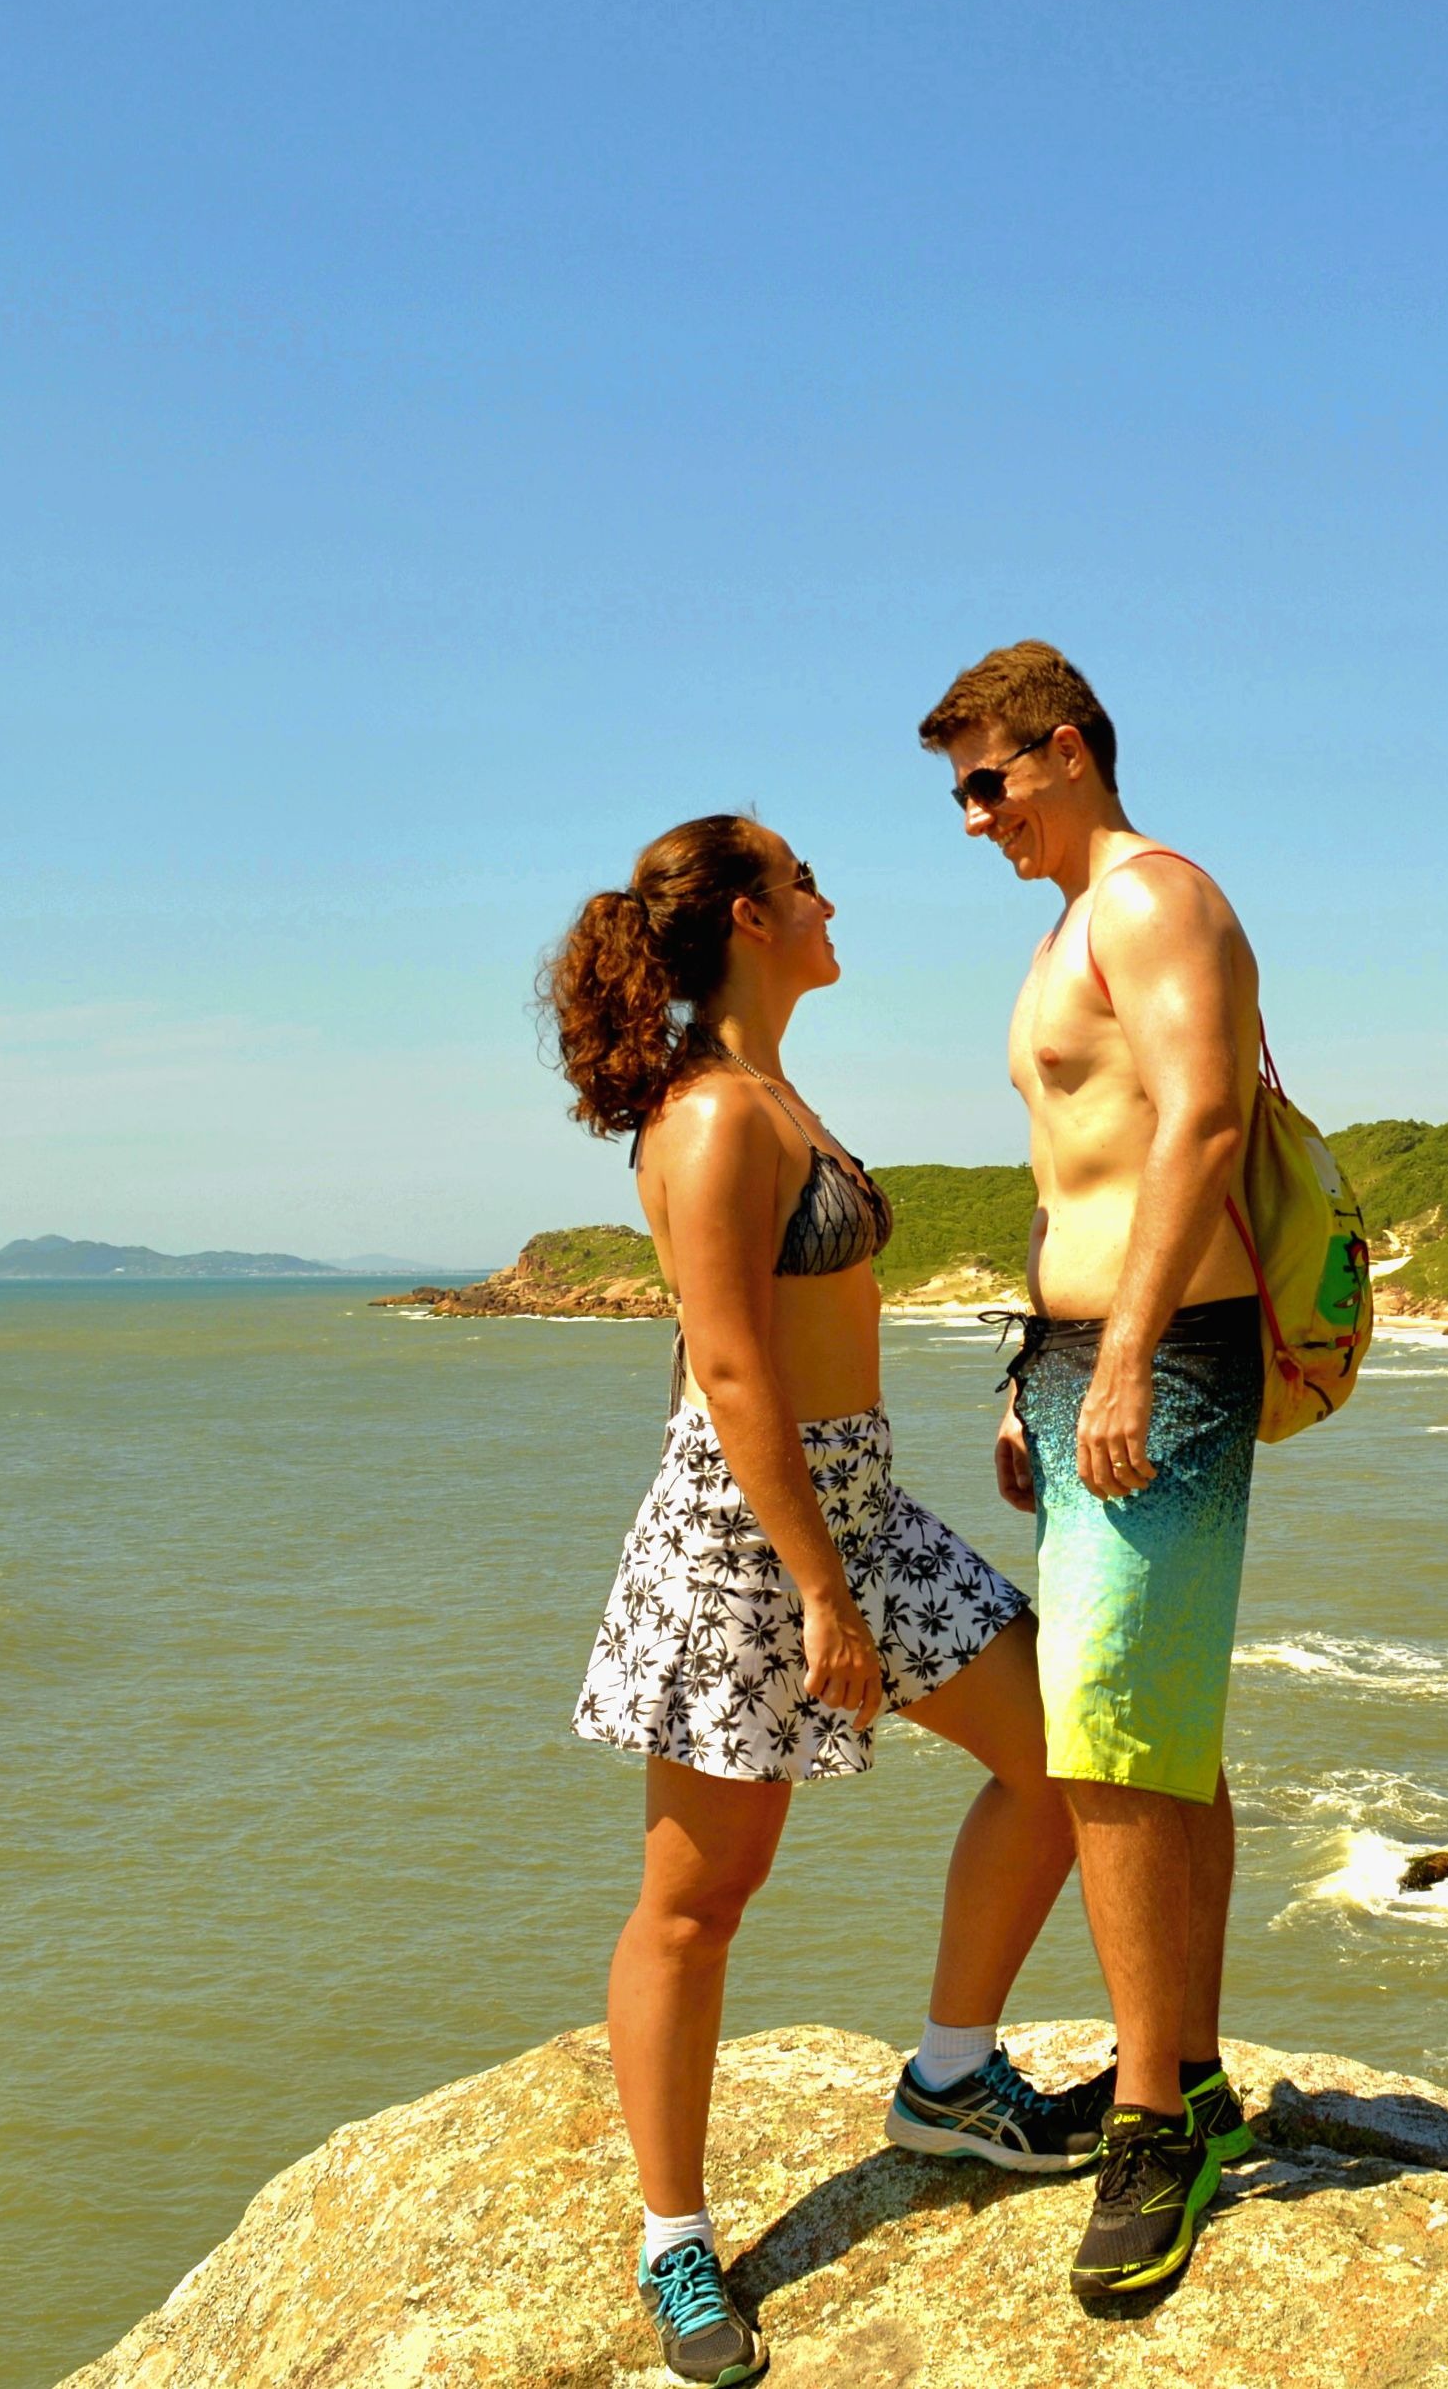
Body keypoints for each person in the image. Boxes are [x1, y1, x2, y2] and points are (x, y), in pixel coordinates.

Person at [552, 813, 1097, 2388]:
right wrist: (818, 1592)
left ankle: (950, 2079)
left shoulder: (771, 1091)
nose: (828, 897)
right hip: (751, 1531)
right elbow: (728, 1369)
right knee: (701, 1895)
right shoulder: (713, 1115)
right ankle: (674, 2241)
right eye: (802, 881)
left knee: (1063, 1751)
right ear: (744, 915)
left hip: (853, 1503)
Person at [918, 642, 1272, 2309]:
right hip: (1075, 1365)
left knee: (1115, 1727)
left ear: (1065, 750)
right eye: (961, 792)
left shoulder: (1152, 901)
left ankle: (1154, 2118)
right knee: (1153, 1729)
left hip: (1163, 1354)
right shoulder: (1065, 933)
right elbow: (1079, 1167)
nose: (974, 817)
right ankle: (1187, 2073)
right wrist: (1035, 1370)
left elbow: (1202, 1121)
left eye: (989, 780)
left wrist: (1125, 1350)